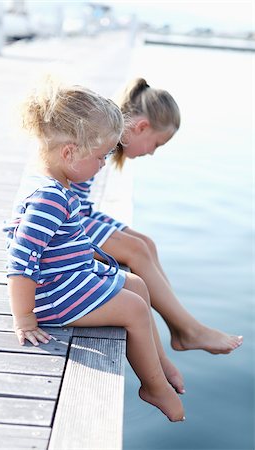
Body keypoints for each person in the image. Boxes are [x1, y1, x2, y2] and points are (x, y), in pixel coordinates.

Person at [3, 76, 185, 422]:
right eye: (101, 157)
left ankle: (160, 364)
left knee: (137, 285)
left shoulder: (57, 183)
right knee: (132, 308)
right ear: (70, 152)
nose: (103, 165)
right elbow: (21, 259)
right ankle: (154, 387)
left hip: (65, 277)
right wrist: (24, 317)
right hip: (50, 297)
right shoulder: (49, 197)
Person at [70, 78, 243, 355]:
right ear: (141, 127)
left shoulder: (108, 131)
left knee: (146, 243)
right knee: (136, 250)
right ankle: (189, 330)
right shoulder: (105, 135)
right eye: (156, 145)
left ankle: (179, 327)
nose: (151, 152)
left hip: (76, 212)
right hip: (63, 221)